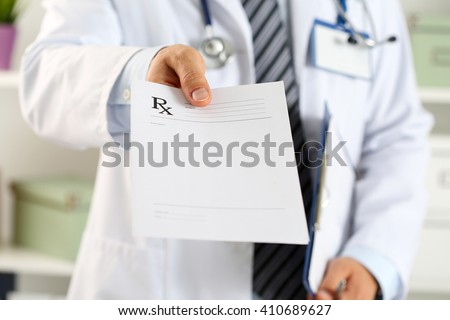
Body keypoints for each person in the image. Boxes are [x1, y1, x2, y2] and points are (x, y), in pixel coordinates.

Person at [20, 0, 432, 300]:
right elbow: (44, 82)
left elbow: (396, 134)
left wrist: (373, 255)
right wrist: (138, 74)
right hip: (166, 292)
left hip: (320, 288)